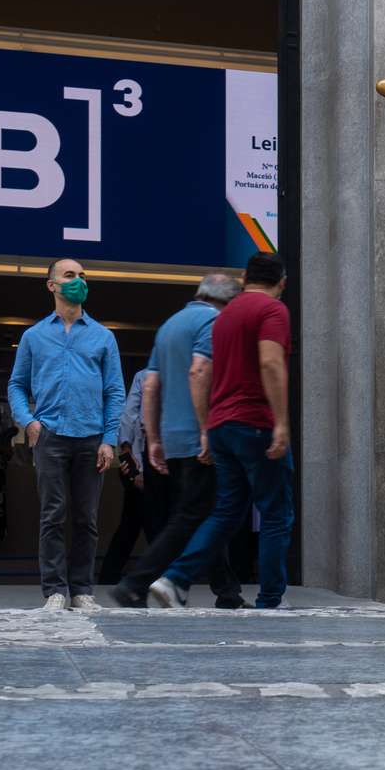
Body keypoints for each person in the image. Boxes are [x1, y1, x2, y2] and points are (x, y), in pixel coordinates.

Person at [152, 253, 294, 610]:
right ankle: (271, 599)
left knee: (227, 511)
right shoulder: (272, 310)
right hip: (255, 422)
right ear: (283, 282)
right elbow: (270, 362)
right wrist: (281, 422)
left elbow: (202, 372)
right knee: (276, 512)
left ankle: (175, 579)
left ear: (244, 277)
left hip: (221, 426)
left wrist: (207, 427)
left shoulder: (223, 316)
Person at [108, 273, 244, 609]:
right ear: (228, 301)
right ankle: (142, 583)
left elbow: (150, 386)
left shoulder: (170, 325)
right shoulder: (214, 321)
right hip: (199, 439)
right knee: (204, 515)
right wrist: (205, 430)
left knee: (196, 515)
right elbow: (200, 371)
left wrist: (154, 439)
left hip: (171, 439)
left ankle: (214, 591)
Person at [7, 257, 123, 612]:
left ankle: (82, 590)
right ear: (52, 285)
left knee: (87, 519)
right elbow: (16, 385)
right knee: (52, 515)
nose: (78, 281)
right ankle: (55, 591)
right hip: (51, 436)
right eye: (69, 275)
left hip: (91, 438)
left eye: (82, 276)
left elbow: (115, 391)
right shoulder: (34, 336)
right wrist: (28, 422)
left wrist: (109, 438)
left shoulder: (103, 336)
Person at [97, 368, 162, 586]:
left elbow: (128, 417)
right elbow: (131, 418)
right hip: (140, 463)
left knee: (132, 524)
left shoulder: (144, 375)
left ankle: (109, 574)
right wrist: (136, 468)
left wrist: (126, 454)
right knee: (153, 523)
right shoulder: (147, 376)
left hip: (137, 461)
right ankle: (163, 576)